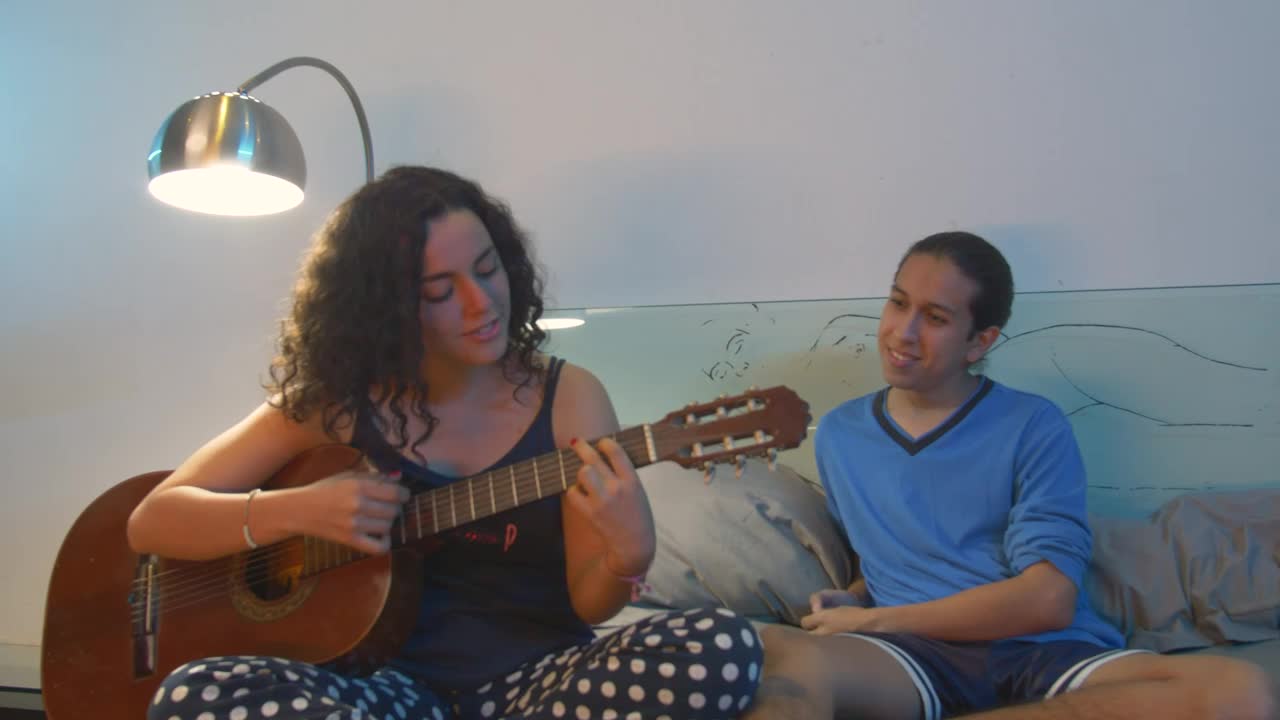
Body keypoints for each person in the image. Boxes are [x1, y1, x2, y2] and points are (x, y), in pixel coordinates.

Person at [127, 166, 762, 720]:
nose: (480, 302)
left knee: (722, 647)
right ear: (384, 308)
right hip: (380, 691)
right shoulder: (336, 403)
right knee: (196, 693)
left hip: (536, 683)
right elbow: (153, 520)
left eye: (488, 269)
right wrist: (296, 509)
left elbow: (588, 606)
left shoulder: (568, 396)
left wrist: (629, 552)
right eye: (439, 291)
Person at [743, 232, 1274, 720]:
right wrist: (857, 597)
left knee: (1240, 690)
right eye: (898, 302)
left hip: (1040, 652)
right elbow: (887, 554)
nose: (902, 332)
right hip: (909, 661)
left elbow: (1047, 601)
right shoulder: (841, 433)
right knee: (784, 656)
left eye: (935, 317)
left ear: (980, 342)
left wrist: (875, 621)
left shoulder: (1032, 425)